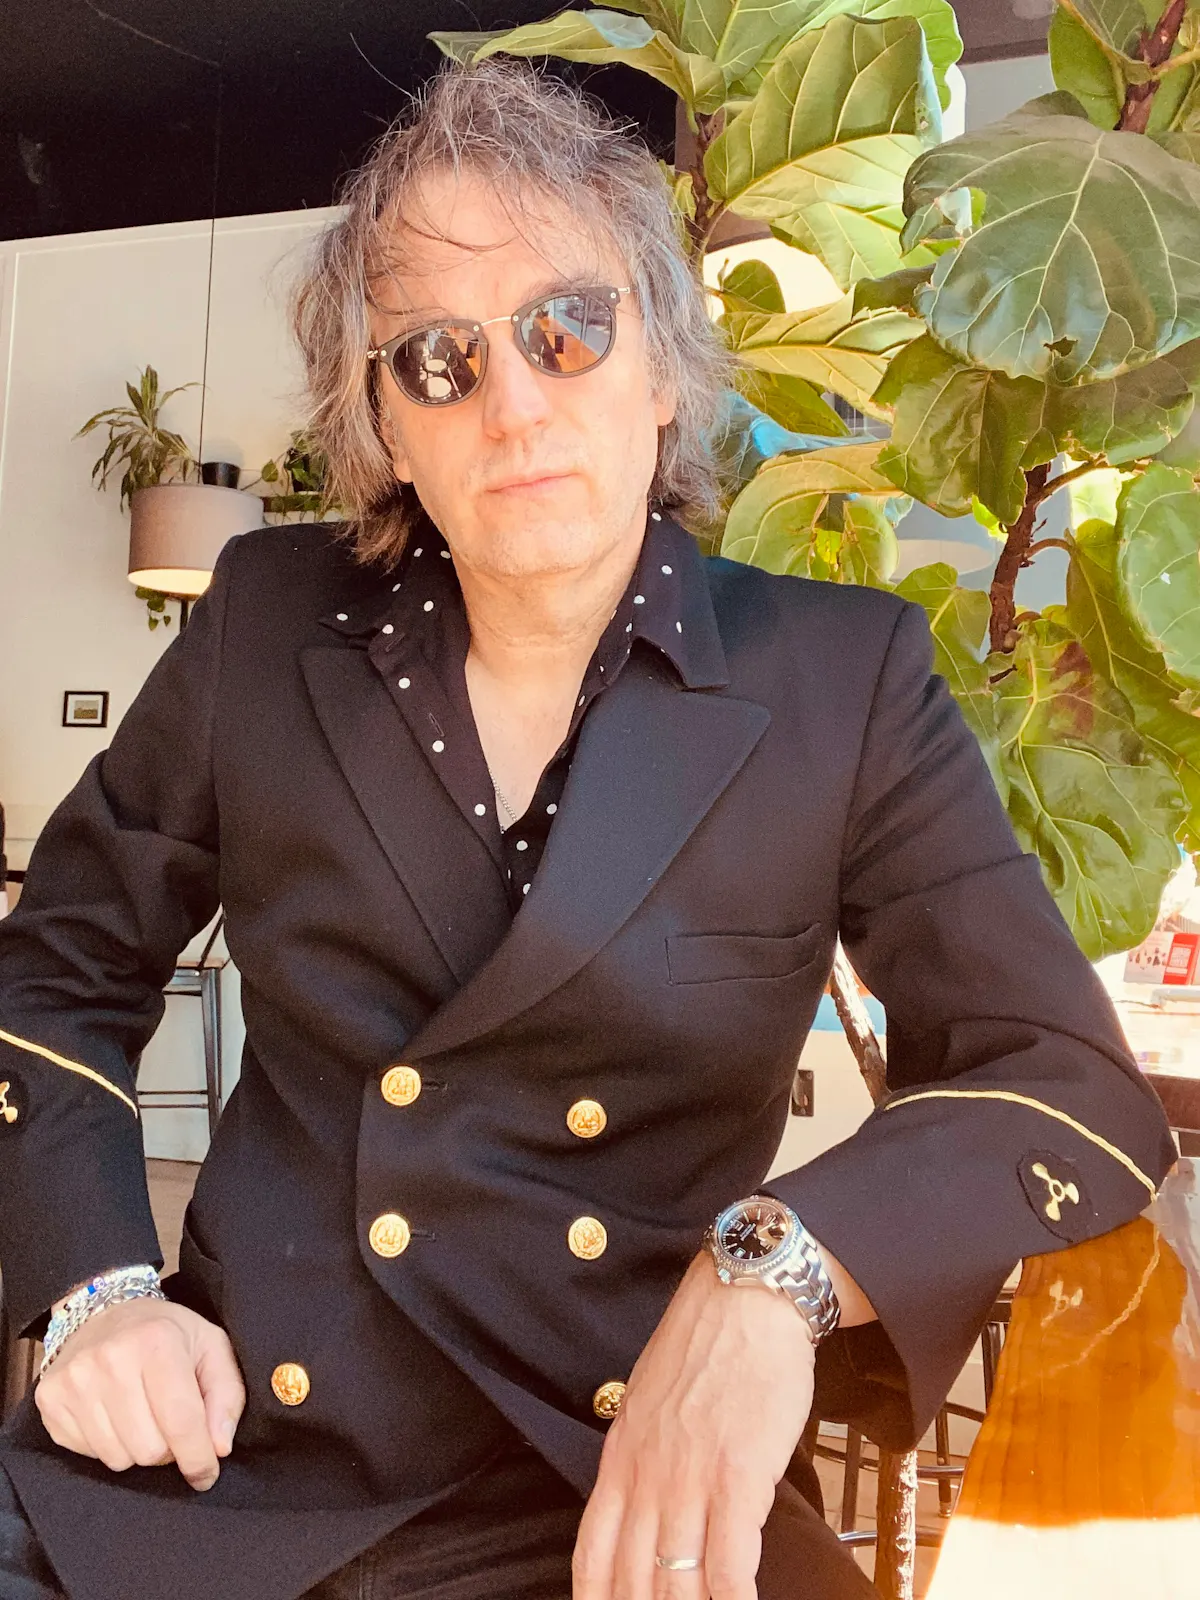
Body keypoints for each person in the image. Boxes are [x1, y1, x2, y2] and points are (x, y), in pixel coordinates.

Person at [0, 61, 1174, 1600]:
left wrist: (776, 1277)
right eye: (439, 359)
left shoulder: (842, 680)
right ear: (384, 426)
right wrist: (94, 1289)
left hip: (613, 1482)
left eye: (569, 327)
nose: (516, 404)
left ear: (664, 369)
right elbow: (56, 971)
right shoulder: (263, 625)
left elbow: (1067, 1085)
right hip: (236, 1462)